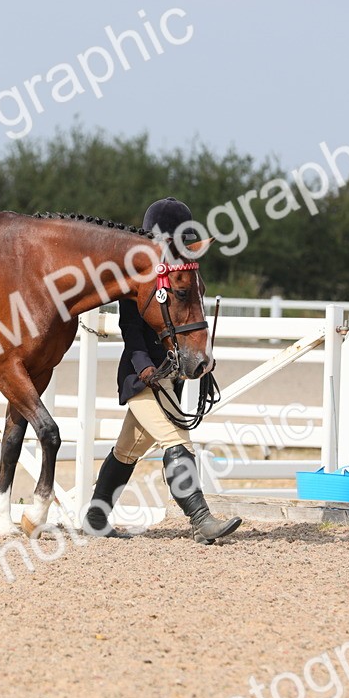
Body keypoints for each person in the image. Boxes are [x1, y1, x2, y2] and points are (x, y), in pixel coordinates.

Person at [84, 197, 242, 544]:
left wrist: (198, 356)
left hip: (169, 378)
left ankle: (95, 517)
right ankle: (201, 520)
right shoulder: (137, 276)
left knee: (127, 451)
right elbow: (131, 331)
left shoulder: (186, 273)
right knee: (176, 440)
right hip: (141, 379)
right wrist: (144, 368)